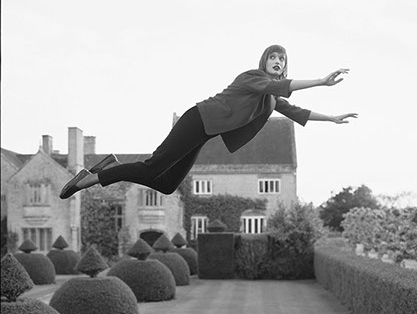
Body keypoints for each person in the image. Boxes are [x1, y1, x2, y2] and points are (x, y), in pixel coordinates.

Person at [60, 44, 358, 199]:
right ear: (265, 63)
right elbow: (281, 86)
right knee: (153, 167)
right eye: (273, 57)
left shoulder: (270, 98)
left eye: (282, 59)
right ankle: (89, 179)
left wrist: (332, 118)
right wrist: (321, 81)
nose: (278, 62)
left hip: (203, 133)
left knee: (167, 185)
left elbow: (297, 111)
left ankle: (108, 168)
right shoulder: (254, 78)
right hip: (197, 119)